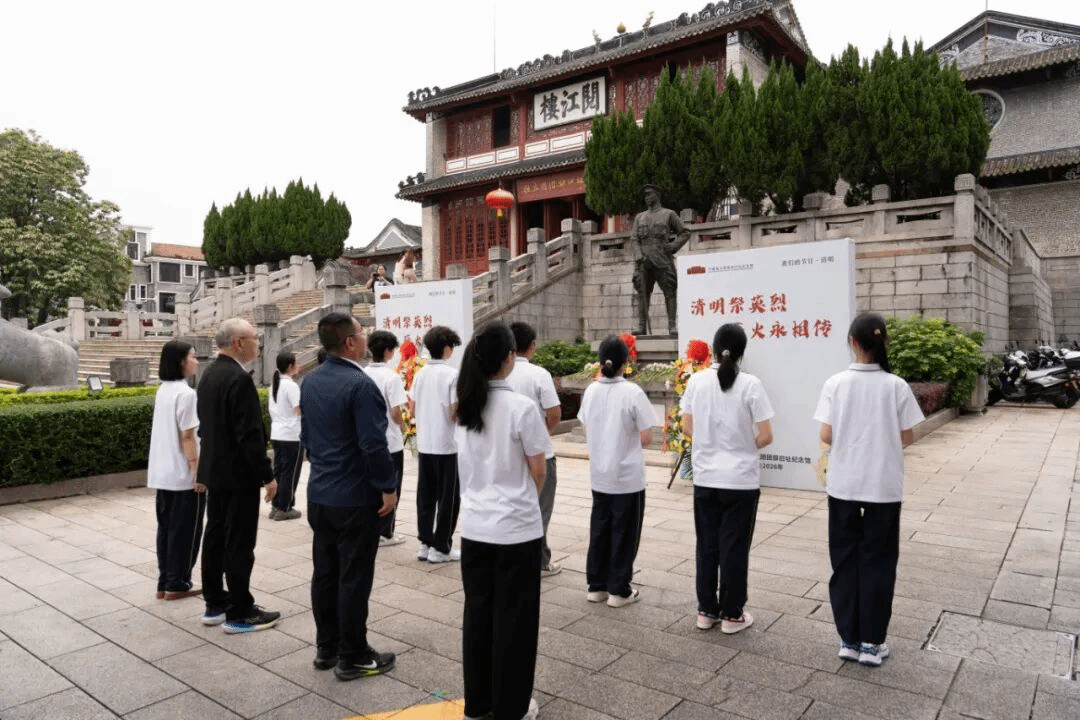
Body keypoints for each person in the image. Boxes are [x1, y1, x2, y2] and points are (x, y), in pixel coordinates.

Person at [814, 312, 923, 667]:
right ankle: (872, 644)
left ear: (853, 342)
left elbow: (826, 434)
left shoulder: (835, 383)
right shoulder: (896, 386)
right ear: (883, 342)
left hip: (843, 485)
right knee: (879, 562)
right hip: (883, 487)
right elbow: (908, 436)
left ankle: (849, 639)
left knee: (845, 561)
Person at [455, 322, 549, 720]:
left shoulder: (463, 406)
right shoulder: (522, 408)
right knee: (515, 621)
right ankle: (511, 707)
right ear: (510, 357)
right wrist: (521, 500)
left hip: (475, 527)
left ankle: (478, 704)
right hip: (515, 531)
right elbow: (538, 470)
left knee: (478, 616)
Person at [302, 312, 399, 681]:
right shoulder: (360, 385)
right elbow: (373, 444)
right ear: (349, 342)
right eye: (361, 332)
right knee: (354, 576)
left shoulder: (311, 380)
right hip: (355, 496)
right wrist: (387, 487)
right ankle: (354, 654)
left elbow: (307, 436)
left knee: (325, 573)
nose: (365, 338)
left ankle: (327, 647)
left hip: (320, 493)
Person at [680, 324, 774, 634]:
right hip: (740, 481)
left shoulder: (696, 381)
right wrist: (744, 446)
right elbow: (766, 436)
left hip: (706, 478)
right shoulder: (751, 384)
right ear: (742, 352)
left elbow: (688, 428)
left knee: (707, 545)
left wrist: (710, 444)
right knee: (734, 548)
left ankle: (706, 610)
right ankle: (732, 614)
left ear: (713, 348)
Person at [197, 318, 280, 633]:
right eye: (254, 338)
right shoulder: (239, 379)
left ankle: (215, 602)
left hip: (215, 471)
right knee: (239, 542)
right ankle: (240, 611)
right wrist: (267, 476)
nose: (258, 344)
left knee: (215, 536)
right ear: (238, 343)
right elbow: (249, 436)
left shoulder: (208, 375)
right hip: (238, 474)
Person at [577, 335, 656, 608]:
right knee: (624, 532)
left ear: (601, 361)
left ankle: (596, 585)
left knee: (600, 529)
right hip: (627, 477)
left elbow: (586, 426)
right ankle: (619, 590)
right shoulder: (633, 392)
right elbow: (647, 437)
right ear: (627, 361)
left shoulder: (591, 391)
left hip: (599, 475)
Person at [148, 340, 205, 601]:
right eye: (193, 356)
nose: (196, 361)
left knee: (167, 529)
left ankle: (165, 581)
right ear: (181, 362)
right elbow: (188, 436)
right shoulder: (186, 394)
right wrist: (196, 470)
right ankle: (178, 582)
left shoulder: (163, 390)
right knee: (186, 531)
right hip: (182, 475)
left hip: (163, 473)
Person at [506, 321, 562, 577]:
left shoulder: (498, 373)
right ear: (532, 345)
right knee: (540, 508)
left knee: (513, 507)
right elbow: (554, 413)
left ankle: (514, 557)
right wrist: (541, 435)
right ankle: (538, 561)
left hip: (509, 453)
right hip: (539, 455)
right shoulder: (539, 374)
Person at [409, 325, 463, 563]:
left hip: (425, 444)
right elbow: (454, 412)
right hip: (447, 444)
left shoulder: (420, 374)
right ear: (447, 348)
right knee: (448, 498)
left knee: (426, 495)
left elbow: (412, 408)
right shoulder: (452, 375)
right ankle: (441, 547)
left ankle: (425, 543)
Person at [364, 330, 409, 547]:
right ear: (388, 351)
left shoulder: (361, 374)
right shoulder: (391, 377)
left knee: (371, 487)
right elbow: (395, 411)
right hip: (390, 441)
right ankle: (386, 532)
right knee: (391, 486)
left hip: (366, 441)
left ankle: (372, 529)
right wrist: (404, 426)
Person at [630, 183, 689, 336]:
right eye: (645, 195)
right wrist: (638, 255)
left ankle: (672, 325)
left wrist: (674, 245)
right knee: (643, 294)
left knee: (670, 292)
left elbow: (685, 232)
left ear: (657, 195)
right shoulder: (639, 217)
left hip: (662, 259)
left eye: (649, 194)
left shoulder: (669, 214)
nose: (646, 197)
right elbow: (634, 238)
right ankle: (642, 326)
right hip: (643, 261)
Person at [268, 351, 302, 521]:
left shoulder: (274, 385)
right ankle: (285, 507)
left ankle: (276, 506)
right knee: (290, 472)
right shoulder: (291, 386)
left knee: (279, 471)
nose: (298, 366)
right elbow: (297, 409)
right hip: (291, 435)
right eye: (296, 363)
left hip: (277, 433)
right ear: (290, 366)